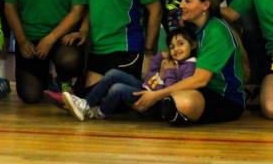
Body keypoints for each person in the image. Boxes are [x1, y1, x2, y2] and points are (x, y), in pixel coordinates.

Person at [133, 0, 246, 125]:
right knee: (136, 89)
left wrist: (156, 95)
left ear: (205, 5)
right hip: (197, 88)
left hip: (225, 98)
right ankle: (161, 105)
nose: (181, 5)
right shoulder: (192, 28)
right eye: (181, 0)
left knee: (184, 102)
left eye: (187, 1)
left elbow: (200, 80)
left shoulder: (216, 32)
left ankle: (164, 106)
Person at [61, 27, 198, 121]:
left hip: (156, 103)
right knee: (113, 73)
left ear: (192, 45)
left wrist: (166, 74)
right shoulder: (171, 61)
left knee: (118, 89)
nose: (175, 49)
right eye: (172, 46)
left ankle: (99, 112)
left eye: (180, 44)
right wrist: (158, 63)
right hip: (148, 89)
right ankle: (86, 103)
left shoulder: (190, 67)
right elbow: (149, 79)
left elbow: (174, 93)